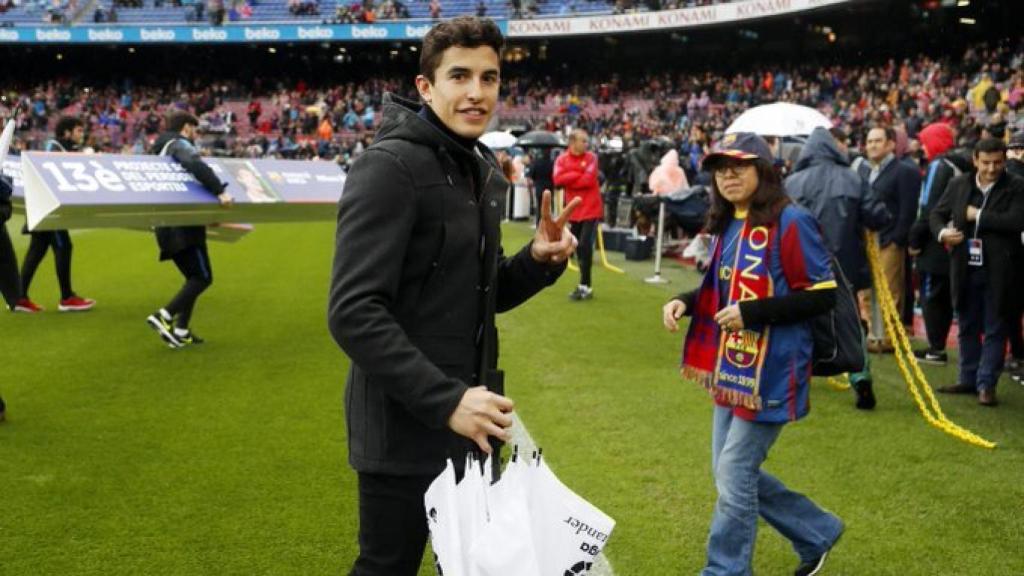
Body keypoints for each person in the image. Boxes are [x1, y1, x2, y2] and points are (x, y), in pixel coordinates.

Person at [326, 17, 579, 576]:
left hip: (473, 421)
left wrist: (538, 261)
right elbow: (353, 312)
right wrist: (446, 402)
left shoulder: (476, 167)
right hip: (405, 428)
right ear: (425, 86)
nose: (476, 92)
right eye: (459, 76)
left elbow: (479, 294)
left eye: (489, 78)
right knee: (386, 567)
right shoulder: (387, 167)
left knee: (474, 567)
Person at [663, 133, 843, 576]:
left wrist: (753, 312)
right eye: (720, 169)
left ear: (763, 171)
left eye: (739, 167)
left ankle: (725, 570)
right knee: (728, 471)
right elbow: (720, 290)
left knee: (734, 471)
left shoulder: (793, 221)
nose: (728, 176)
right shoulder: (730, 222)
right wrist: (686, 301)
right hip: (732, 365)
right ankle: (817, 531)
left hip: (775, 368)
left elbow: (823, 294)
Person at [785, 126, 892, 410]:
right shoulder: (852, 178)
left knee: (800, 320)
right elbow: (878, 216)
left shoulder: (792, 183)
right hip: (844, 266)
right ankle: (860, 376)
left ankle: (796, 379)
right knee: (849, 322)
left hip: (801, 266)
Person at [931, 138, 1024, 407]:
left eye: (997, 163)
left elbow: (1017, 221)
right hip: (964, 266)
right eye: (986, 163)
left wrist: (978, 215)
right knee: (967, 324)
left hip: (1002, 269)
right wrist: (943, 233)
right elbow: (936, 214)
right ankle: (968, 378)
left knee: (996, 326)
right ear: (975, 160)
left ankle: (986, 384)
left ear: (1004, 161)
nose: (992, 168)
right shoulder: (958, 184)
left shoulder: (1017, 186)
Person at [145, 111, 233, 348]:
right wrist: (219, 191)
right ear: (186, 127)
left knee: (192, 278)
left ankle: (182, 329)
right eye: (195, 129)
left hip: (166, 221)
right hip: (183, 221)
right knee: (202, 278)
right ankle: (164, 315)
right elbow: (194, 163)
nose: (196, 135)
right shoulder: (178, 144)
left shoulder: (159, 149)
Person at [17, 116, 96, 313]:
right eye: (78, 130)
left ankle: (19, 297)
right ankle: (67, 297)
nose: (81, 134)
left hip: (42, 208)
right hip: (49, 210)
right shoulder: (54, 147)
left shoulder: (61, 148)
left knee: (37, 250)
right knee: (64, 247)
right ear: (67, 132)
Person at [908, 123, 971, 366]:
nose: (922, 146)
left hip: (935, 241)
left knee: (932, 295)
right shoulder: (961, 165)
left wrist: (915, 238)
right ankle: (939, 346)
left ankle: (936, 348)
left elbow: (928, 207)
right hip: (955, 239)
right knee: (945, 295)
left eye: (925, 141)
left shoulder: (938, 166)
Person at [855, 126, 921, 352]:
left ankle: (889, 338)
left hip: (889, 240)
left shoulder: (904, 171)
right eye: (869, 141)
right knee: (866, 290)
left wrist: (897, 240)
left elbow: (908, 210)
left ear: (891, 144)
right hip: (866, 239)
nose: (872, 145)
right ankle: (873, 335)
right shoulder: (864, 171)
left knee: (890, 291)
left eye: (877, 141)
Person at [554, 128, 603, 301]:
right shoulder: (561, 159)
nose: (586, 144)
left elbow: (588, 180)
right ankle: (584, 285)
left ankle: (585, 286)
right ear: (572, 142)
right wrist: (577, 174)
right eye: (583, 140)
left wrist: (570, 177)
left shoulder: (592, 158)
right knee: (575, 247)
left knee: (584, 245)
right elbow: (557, 180)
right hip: (574, 210)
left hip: (591, 208)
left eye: (587, 140)